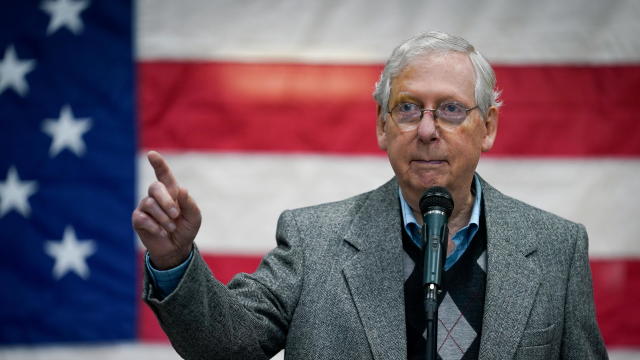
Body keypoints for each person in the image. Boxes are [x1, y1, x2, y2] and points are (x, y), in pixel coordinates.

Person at [132, 31, 608, 359]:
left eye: (449, 109)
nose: (426, 130)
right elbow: (226, 346)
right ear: (382, 126)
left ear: (488, 128)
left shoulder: (555, 247)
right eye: (407, 109)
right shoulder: (313, 239)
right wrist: (175, 260)